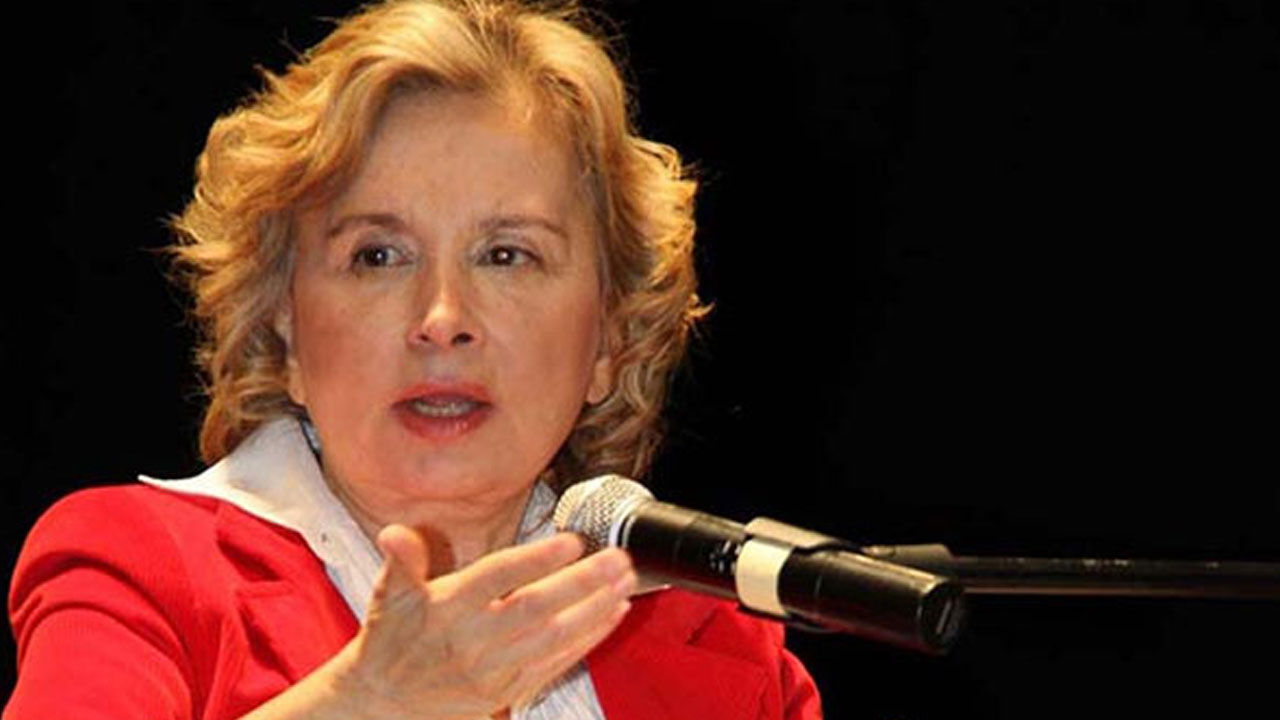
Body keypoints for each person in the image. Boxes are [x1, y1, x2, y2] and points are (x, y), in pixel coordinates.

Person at [6, 1, 822, 718]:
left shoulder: (721, 648)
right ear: (285, 329)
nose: (443, 320)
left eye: (506, 255)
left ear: (608, 337)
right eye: (378, 256)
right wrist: (368, 705)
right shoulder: (141, 572)